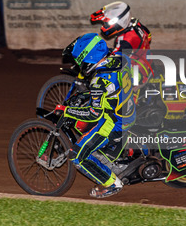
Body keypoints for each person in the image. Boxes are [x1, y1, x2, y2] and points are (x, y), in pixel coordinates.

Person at [54, 33, 136, 198]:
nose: (78, 65)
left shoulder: (98, 81)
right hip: (132, 109)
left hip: (115, 123)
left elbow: (93, 114)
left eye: (79, 61)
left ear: (88, 59)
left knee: (77, 155)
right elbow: (111, 90)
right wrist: (87, 96)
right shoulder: (119, 58)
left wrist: (67, 110)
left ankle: (112, 183)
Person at [91, 1, 153, 85]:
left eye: (107, 23)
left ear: (121, 21)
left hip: (138, 71)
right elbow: (148, 36)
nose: (105, 25)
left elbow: (114, 60)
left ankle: (133, 96)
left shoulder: (126, 40)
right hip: (146, 59)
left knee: (110, 85)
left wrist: (95, 63)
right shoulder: (134, 22)